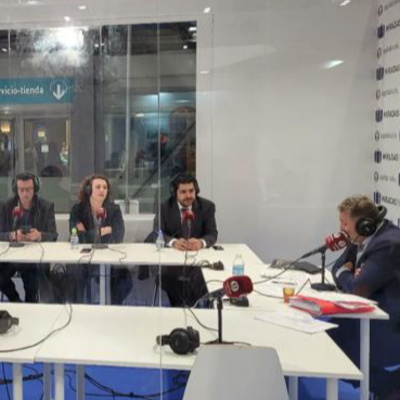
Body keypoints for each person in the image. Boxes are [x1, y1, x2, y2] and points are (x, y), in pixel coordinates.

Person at [329, 195, 400, 400]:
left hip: (389, 325)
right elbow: (338, 267)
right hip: (372, 313)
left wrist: (348, 274)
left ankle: (388, 387)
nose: (341, 229)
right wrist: (349, 274)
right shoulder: (362, 235)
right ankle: (386, 387)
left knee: (332, 341)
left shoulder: (389, 244)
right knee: (328, 334)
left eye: (345, 223)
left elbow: (357, 289)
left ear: (364, 223)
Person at [146, 173, 218, 307]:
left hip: (197, 261)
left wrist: (201, 242)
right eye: (183, 192)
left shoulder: (207, 207)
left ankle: (192, 306)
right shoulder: (164, 207)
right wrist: (173, 242)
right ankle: (181, 307)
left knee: (202, 276)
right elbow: (156, 232)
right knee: (170, 278)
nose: (188, 195)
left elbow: (212, 233)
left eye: (191, 191)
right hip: (171, 262)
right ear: (175, 193)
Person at [69, 174, 129, 304]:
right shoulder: (78, 209)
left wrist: (87, 233)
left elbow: (119, 235)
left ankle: (113, 307)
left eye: (105, 187)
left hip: (109, 255)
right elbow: (76, 236)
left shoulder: (114, 209)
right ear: (88, 190)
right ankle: (78, 308)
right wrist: (105, 230)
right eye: (98, 187)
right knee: (75, 274)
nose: (102, 190)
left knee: (124, 279)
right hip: (84, 257)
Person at [0, 172, 58, 302]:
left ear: (35, 188)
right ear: (16, 190)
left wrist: (39, 235)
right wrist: (11, 235)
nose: (25, 194)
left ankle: (29, 306)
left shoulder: (46, 206)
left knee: (31, 285)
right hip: (11, 256)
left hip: (34, 258)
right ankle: (15, 301)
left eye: (28, 189)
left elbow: (53, 235)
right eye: (21, 190)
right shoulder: (6, 206)